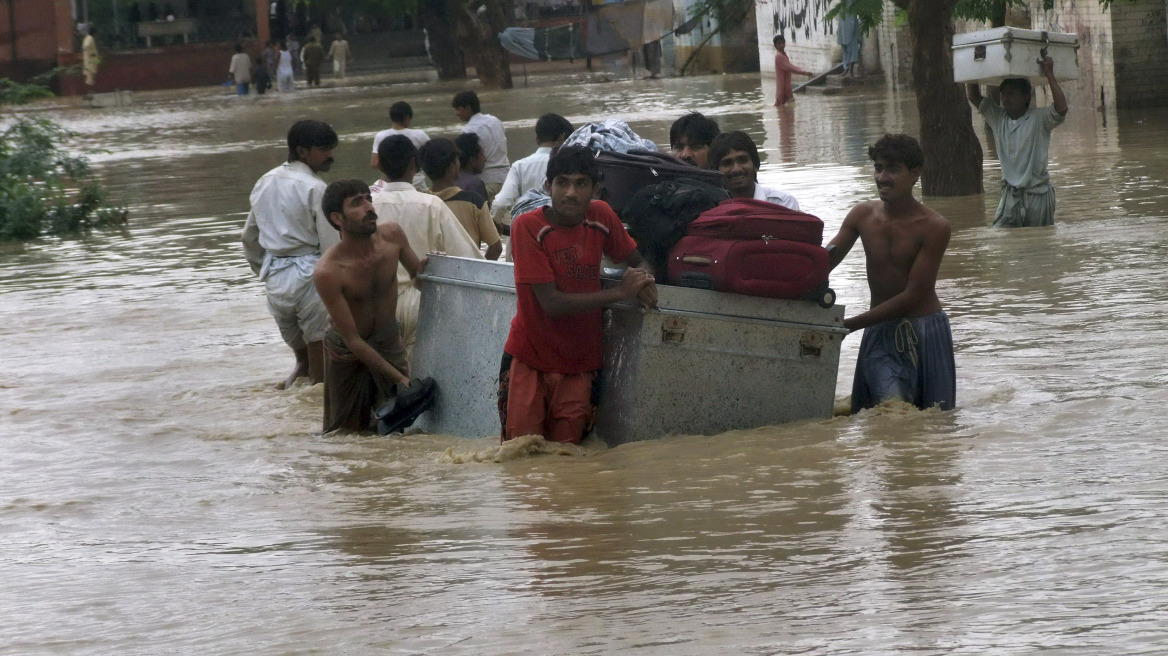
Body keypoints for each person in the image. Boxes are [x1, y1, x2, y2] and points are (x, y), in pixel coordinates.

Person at [501, 146, 658, 444]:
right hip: (530, 360)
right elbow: (552, 303)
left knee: (567, 462)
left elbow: (638, 260)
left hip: (580, 367)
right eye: (562, 182)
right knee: (522, 460)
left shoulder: (601, 216)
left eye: (581, 183)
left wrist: (646, 280)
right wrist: (622, 292)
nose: (571, 193)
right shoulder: (528, 227)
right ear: (548, 186)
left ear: (595, 189)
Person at [824, 134, 956, 413]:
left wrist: (847, 325)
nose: (882, 177)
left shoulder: (935, 226)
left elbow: (911, 297)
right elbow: (824, 263)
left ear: (915, 174)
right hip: (879, 331)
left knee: (934, 423)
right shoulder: (862, 215)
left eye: (893, 169)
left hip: (925, 333)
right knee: (890, 412)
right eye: (878, 167)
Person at [314, 180, 424, 432]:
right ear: (337, 218)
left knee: (402, 427)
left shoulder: (392, 235)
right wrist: (401, 379)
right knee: (345, 434)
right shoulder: (328, 270)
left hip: (387, 339)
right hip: (346, 351)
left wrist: (432, 268)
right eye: (357, 203)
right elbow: (352, 340)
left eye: (368, 199)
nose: (369, 208)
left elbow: (420, 281)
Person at [241, 120, 341, 389]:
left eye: (331, 148)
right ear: (302, 151)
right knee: (320, 378)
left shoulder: (264, 182)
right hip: (310, 278)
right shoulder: (316, 188)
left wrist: (264, 270)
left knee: (302, 365)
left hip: (275, 278)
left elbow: (249, 237)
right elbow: (331, 246)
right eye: (324, 149)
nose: (331, 155)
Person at [372, 135, 483, 358]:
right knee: (421, 381)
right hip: (423, 303)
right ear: (414, 165)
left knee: (385, 381)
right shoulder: (431, 205)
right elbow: (469, 260)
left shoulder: (367, 207)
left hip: (376, 306)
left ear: (380, 165)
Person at [966, 57, 1068, 228]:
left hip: (1038, 196)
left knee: (1038, 245)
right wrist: (972, 66)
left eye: (1011, 94)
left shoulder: (1039, 118)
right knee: (1003, 242)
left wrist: (1049, 75)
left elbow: (1062, 108)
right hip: (1010, 196)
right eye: (1003, 94)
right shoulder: (998, 118)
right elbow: (973, 96)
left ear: (1026, 96)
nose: (1006, 98)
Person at [419, 138, 503, 261]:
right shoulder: (474, 202)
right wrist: (478, 272)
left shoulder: (420, 202)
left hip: (431, 272)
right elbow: (496, 247)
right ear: (452, 166)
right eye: (457, 160)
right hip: (466, 275)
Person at [491, 113, 573, 230]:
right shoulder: (570, 165)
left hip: (527, 231)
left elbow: (500, 204)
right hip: (560, 231)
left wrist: (496, 224)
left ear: (537, 139)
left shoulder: (519, 166)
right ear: (562, 137)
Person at [708, 131, 800, 210]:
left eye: (743, 160)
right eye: (727, 163)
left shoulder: (783, 204)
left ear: (755, 165)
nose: (736, 169)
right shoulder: (709, 207)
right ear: (716, 172)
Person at [453, 90, 510, 201]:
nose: (457, 113)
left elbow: (469, 160)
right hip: (506, 176)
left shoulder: (469, 130)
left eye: (458, 109)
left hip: (487, 179)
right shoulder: (495, 120)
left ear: (468, 108)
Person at [370, 101, 430, 194]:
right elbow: (433, 155)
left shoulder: (381, 135)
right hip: (416, 182)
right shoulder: (419, 135)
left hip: (389, 183)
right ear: (407, 118)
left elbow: (374, 163)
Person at [773, 34, 812, 106]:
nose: (781, 45)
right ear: (775, 46)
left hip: (785, 85)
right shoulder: (779, 56)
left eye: (783, 43)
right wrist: (804, 72)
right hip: (783, 87)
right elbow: (790, 67)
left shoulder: (782, 55)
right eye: (779, 43)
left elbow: (789, 67)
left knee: (784, 108)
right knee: (783, 108)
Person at [453, 132, 490, 200]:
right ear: (472, 160)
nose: (485, 159)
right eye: (482, 154)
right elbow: (484, 210)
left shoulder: (449, 181)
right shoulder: (475, 184)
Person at [837, 12, 862, 77]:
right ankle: (846, 69)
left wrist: (857, 36)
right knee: (845, 52)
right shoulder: (841, 10)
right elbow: (840, 24)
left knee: (853, 52)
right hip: (843, 34)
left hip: (852, 34)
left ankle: (850, 70)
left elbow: (854, 23)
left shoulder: (852, 11)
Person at [82, 26, 100, 97]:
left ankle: (91, 92)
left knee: (91, 76)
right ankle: (90, 92)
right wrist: (91, 54)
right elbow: (86, 46)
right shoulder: (90, 38)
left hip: (90, 61)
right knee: (90, 77)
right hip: (90, 61)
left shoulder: (88, 38)